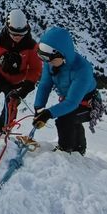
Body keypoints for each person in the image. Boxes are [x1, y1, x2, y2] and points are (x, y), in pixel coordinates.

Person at [32, 26, 97, 155]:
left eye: (49, 59)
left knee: (65, 120)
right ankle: (78, 149)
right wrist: (39, 107)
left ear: (62, 54)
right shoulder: (51, 62)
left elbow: (72, 103)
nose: (47, 63)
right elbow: (45, 84)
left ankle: (66, 151)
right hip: (69, 100)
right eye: (44, 59)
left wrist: (48, 114)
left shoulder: (82, 70)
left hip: (87, 104)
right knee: (70, 120)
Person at [0, 8, 42, 132]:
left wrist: (28, 85)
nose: (17, 37)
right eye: (14, 34)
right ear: (8, 29)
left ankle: (2, 131)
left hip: (16, 84)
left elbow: (35, 68)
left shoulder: (31, 47)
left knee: (10, 113)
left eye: (21, 34)